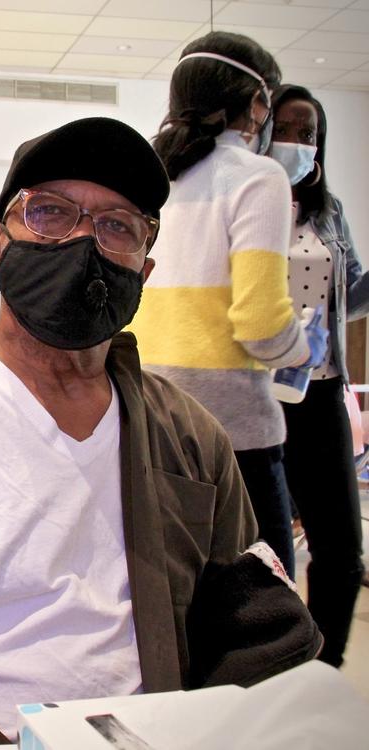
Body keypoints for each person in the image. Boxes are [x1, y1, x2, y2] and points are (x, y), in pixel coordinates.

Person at [0, 118, 320, 746]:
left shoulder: (187, 437)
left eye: (116, 226)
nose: (84, 243)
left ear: (143, 270)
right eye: (49, 213)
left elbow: (248, 638)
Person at [127, 32, 328, 579]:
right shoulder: (257, 177)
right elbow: (261, 325)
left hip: (150, 414)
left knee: (174, 598)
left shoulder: (151, 177)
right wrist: (302, 344)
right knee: (266, 606)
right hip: (232, 430)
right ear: (258, 103)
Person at [268, 84, 369, 667]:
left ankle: (323, 672)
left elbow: (348, 294)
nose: (297, 143)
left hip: (321, 391)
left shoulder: (329, 212)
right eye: (286, 129)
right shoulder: (248, 200)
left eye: (308, 134)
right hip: (258, 397)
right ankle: (271, 666)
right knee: (269, 550)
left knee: (341, 553)